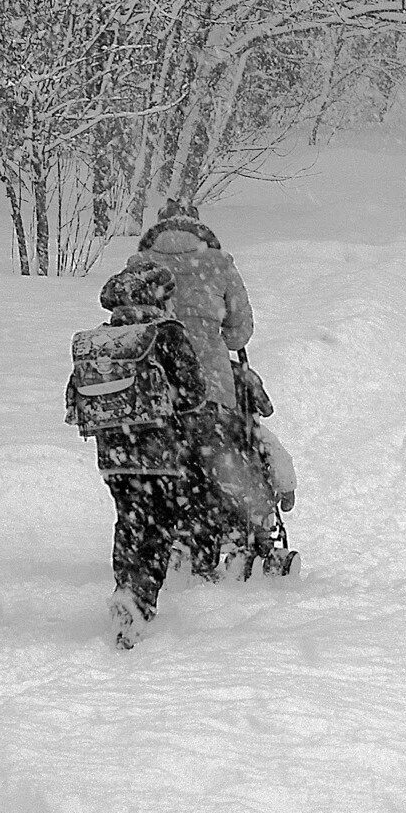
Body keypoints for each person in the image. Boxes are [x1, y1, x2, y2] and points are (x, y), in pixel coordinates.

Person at [66, 262, 208, 648]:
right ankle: (140, 601)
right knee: (158, 526)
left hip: (113, 455)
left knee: (129, 520)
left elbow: (76, 396)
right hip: (160, 453)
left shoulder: (103, 339)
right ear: (159, 296)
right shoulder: (166, 334)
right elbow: (193, 392)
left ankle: (126, 586)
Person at [116, 201, 261, 576]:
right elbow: (240, 332)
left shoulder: (140, 267)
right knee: (215, 456)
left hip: (156, 386)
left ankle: (166, 529)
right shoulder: (218, 264)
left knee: (170, 461)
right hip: (210, 383)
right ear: (199, 228)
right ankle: (214, 531)